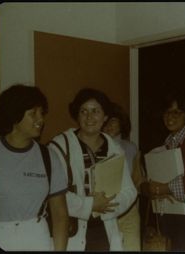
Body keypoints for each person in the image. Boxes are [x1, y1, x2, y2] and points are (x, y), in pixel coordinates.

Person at [49, 88, 137, 251]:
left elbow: (130, 191)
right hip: (71, 232)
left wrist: (105, 206)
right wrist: (90, 205)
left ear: (105, 117)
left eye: (95, 111)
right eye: (83, 111)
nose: (89, 117)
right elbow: (53, 195)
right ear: (77, 115)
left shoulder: (114, 149)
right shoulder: (60, 146)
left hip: (105, 231)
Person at [0, 84, 69, 251]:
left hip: (36, 237)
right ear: (14, 116)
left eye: (42, 113)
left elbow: (60, 215)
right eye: (33, 113)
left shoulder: (48, 156)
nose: (41, 119)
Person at [142, 90, 185, 251]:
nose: (170, 116)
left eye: (176, 112)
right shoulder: (168, 143)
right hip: (175, 214)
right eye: (166, 112)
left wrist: (161, 188)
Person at [103, 102, 144, 251]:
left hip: (129, 209)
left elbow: (137, 179)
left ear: (122, 123)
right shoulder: (99, 146)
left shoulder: (130, 147)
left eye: (113, 121)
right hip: (107, 207)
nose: (109, 125)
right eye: (106, 122)